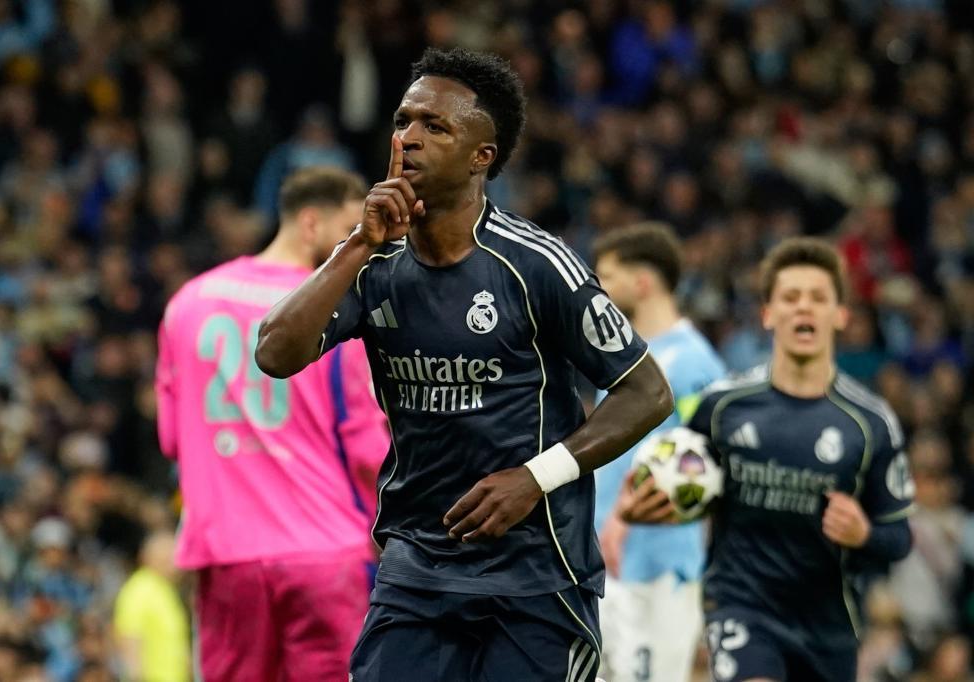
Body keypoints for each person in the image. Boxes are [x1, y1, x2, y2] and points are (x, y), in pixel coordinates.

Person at [256, 47, 674, 682]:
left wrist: (535, 477)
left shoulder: (537, 264)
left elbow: (647, 392)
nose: (409, 138)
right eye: (403, 121)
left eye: (435, 126)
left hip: (537, 577)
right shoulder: (374, 264)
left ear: (483, 156)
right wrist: (357, 245)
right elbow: (274, 352)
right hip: (415, 572)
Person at [619, 237, 914, 682]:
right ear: (768, 314)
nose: (803, 308)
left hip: (830, 623)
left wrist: (864, 533)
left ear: (840, 315)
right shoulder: (721, 408)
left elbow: (899, 537)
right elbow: (675, 476)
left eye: (818, 298)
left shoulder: (870, 423)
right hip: (741, 606)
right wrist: (636, 512)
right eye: (790, 298)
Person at [154, 167, 390, 681]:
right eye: (350, 229)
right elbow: (367, 449)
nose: (363, 244)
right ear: (311, 224)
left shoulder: (186, 303)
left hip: (226, 552)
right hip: (325, 552)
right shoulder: (332, 310)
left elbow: (172, 439)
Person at [591, 223, 726, 682]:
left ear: (642, 282)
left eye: (607, 276)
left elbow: (707, 459)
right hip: (603, 564)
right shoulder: (617, 361)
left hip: (661, 564)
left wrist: (628, 515)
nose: (598, 288)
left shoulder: (694, 363)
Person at [112, 531, 189, 682]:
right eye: (169, 558)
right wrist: (135, 676)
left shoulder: (164, 589)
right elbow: (129, 637)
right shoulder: (140, 588)